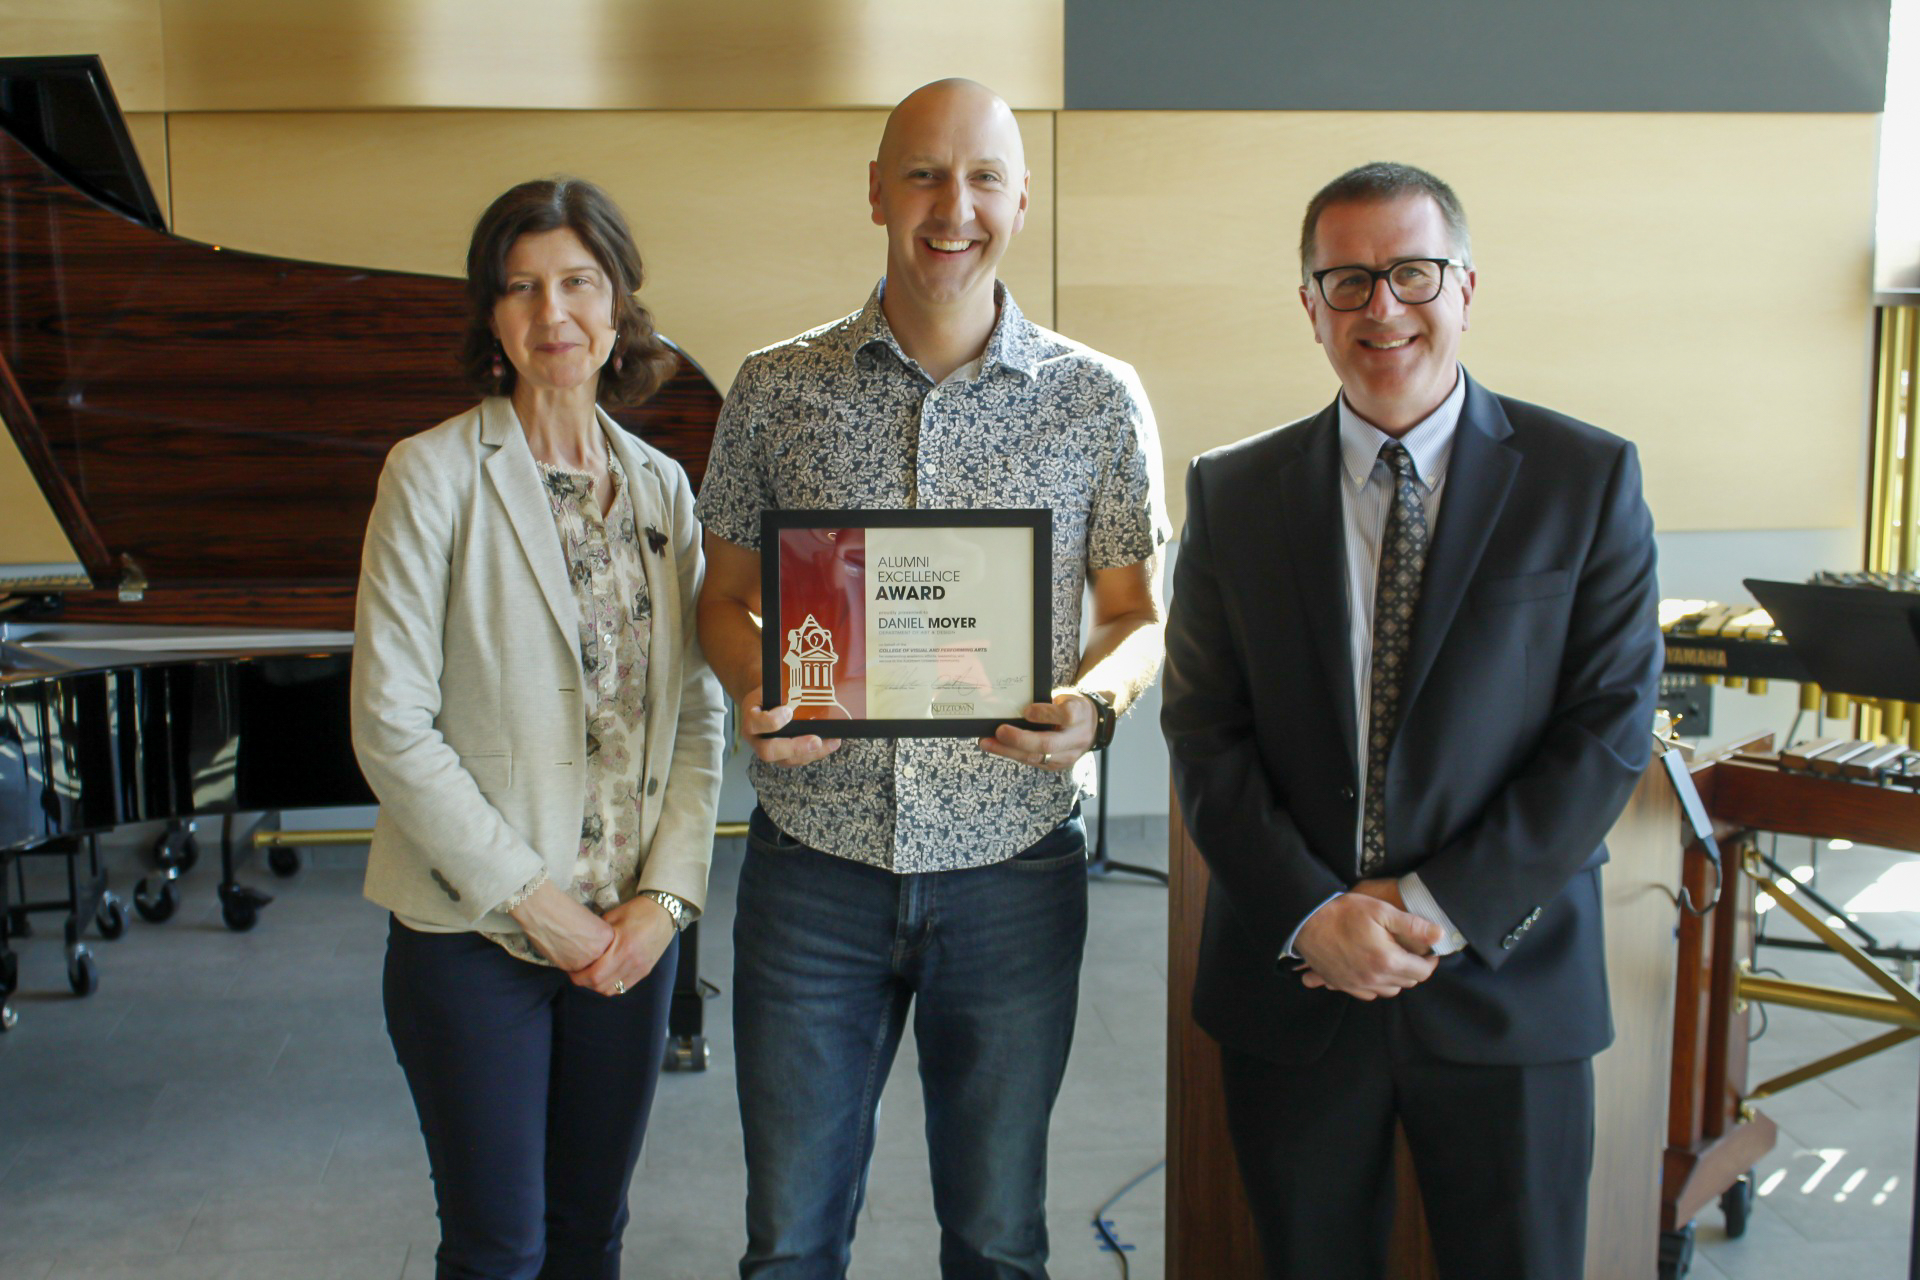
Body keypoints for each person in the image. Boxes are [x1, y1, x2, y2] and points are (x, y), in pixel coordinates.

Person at [696, 78, 1170, 1279]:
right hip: (815, 865)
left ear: (1020, 196)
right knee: (789, 1242)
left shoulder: (1097, 397)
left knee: (1001, 1238)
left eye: (981, 178)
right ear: (874, 191)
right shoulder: (774, 386)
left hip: (1012, 867)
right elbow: (722, 595)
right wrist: (761, 681)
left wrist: (1096, 706)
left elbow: (1135, 614)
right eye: (921, 173)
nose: (951, 207)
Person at [1160, 162, 1662, 1279]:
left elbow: (1607, 728)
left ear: (1467, 286)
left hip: (1507, 982)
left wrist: (1432, 906)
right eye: (1347, 280)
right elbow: (1204, 731)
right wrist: (1315, 911)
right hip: (1298, 985)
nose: (1381, 307)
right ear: (1310, 305)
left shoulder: (1585, 478)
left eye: (1413, 272)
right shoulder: (1232, 493)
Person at [350, 177, 725, 1280]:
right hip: (477, 934)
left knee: (590, 1237)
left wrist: (668, 899)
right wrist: (535, 900)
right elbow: (390, 722)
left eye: (577, 283)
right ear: (493, 318)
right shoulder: (430, 475)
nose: (551, 313)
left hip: (634, 941)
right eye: (520, 288)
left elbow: (697, 715)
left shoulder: (662, 486)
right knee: (499, 1249)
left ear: (619, 308)